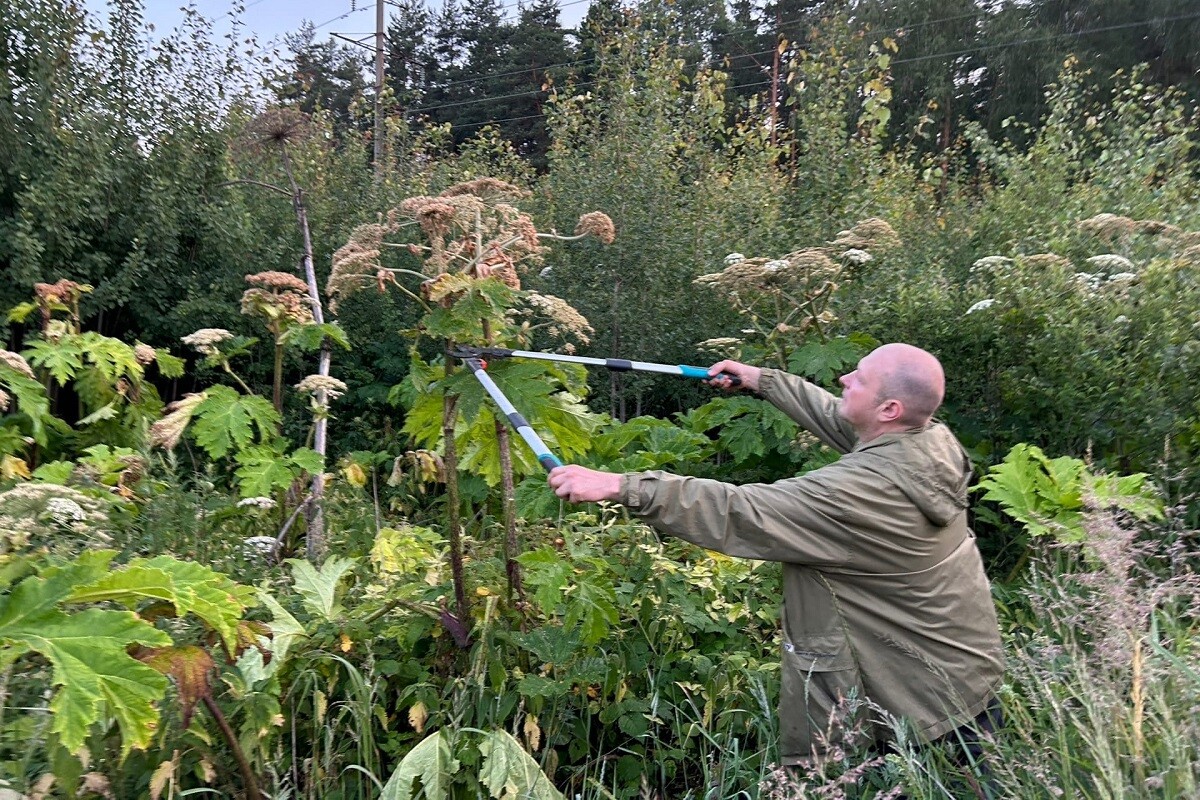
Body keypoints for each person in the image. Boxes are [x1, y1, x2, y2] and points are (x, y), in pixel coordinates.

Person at [547, 343, 1005, 770]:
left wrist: (620, 486)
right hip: (962, 676)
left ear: (889, 409)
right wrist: (764, 381)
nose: (844, 378)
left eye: (859, 379)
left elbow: (739, 510)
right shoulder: (927, 443)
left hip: (923, 712)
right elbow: (842, 419)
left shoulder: (861, 494)